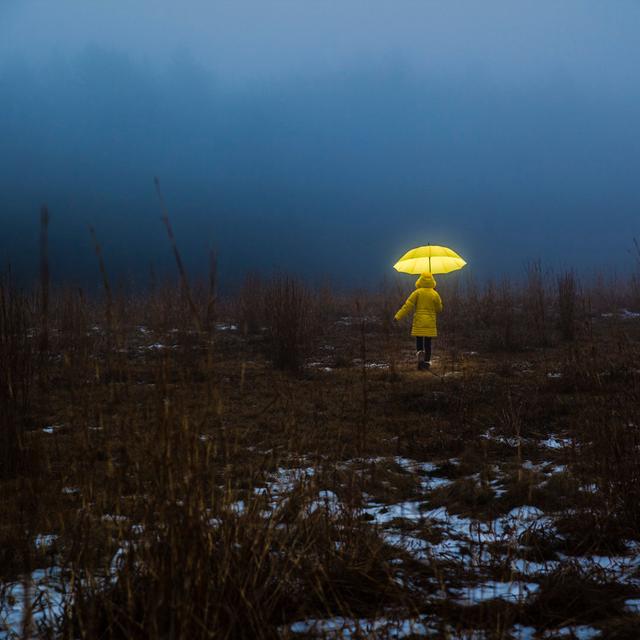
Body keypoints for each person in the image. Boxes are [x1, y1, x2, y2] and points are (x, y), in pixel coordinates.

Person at [394, 272, 443, 370]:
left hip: (419, 322)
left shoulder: (417, 292)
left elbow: (407, 306)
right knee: (428, 344)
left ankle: (420, 363)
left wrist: (398, 316)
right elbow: (439, 309)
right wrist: (436, 296)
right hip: (430, 323)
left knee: (419, 342)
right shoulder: (435, 294)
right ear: (432, 281)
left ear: (420, 280)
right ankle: (427, 363)